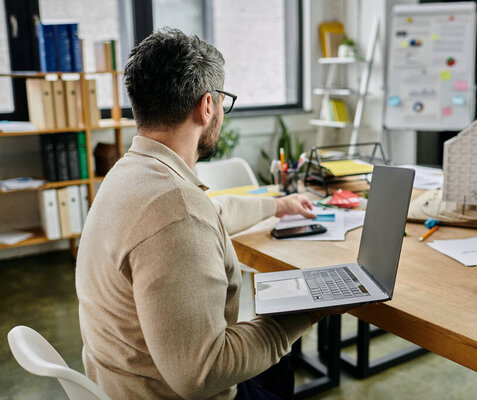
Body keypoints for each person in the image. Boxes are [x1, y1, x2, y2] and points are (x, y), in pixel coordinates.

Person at [76, 28, 340, 400]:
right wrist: (311, 310)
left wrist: (279, 205)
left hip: (126, 376)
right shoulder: (175, 211)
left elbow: (212, 212)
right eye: (222, 99)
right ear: (207, 106)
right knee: (279, 350)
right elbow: (202, 374)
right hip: (172, 390)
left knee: (278, 364)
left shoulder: (131, 173)